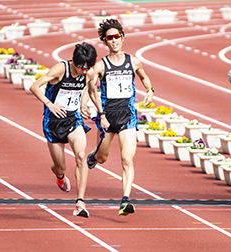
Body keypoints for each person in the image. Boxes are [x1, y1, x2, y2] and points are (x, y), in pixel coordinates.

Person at [86, 19, 154, 216]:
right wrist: (99, 113)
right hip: (107, 117)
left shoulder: (133, 62)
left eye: (117, 37)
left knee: (127, 159)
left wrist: (149, 89)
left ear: (123, 38)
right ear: (105, 42)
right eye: (110, 38)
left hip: (128, 117)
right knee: (103, 157)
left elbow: (143, 76)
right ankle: (94, 156)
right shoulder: (100, 66)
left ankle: (125, 200)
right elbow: (90, 89)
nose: (114, 41)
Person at [30, 42, 97, 218]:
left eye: (87, 67)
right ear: (74, 61)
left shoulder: (87, 72)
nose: (84, 71)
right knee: (61, 167)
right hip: (53, 122)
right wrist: (49, 104)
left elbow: (88, 88)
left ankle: (80, 202)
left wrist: (83, 104)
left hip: (73, 119)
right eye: (81, 67)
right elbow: (35, 86)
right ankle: (59, 174)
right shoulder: (61, 69)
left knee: (81, 156)